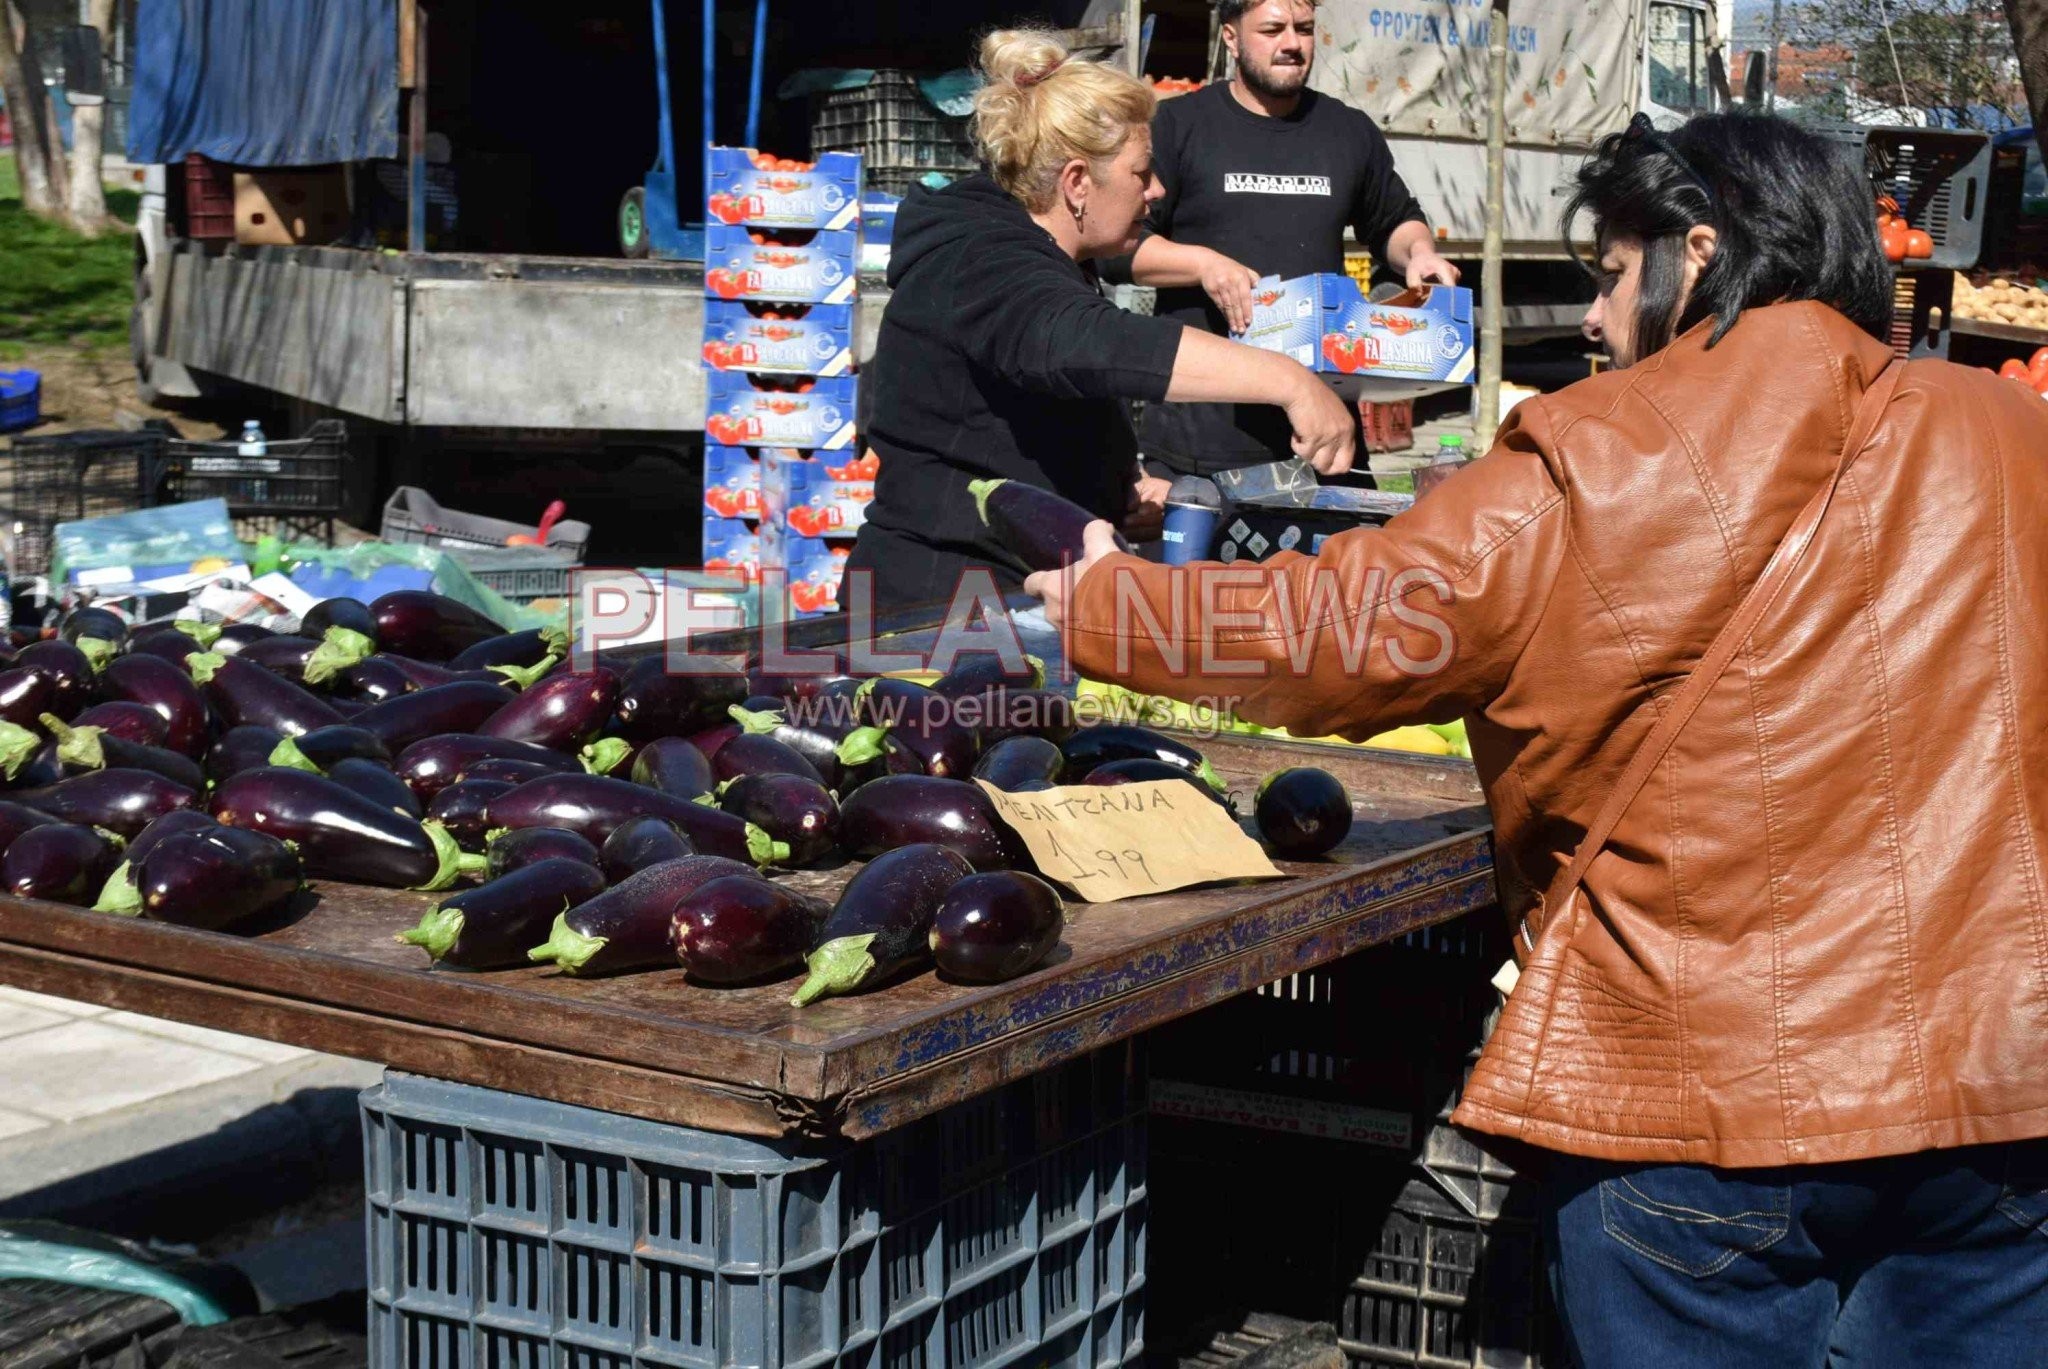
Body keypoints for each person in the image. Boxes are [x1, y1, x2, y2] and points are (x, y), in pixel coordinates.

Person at [1028, 111, 2048, 1364]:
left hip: (1699, 1101)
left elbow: (1343, 629)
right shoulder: (2014, 437)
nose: (1596, 322)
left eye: (1615, 278)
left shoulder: (1602, 449)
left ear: (1701, 252)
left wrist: (1108, 606)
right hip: (2003, 1092)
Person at [842, 29, 1357, 614]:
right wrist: (1290, 381)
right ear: (1078, 183)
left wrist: (1111, 489)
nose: (1156, 191)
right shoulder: (981, 258)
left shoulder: (1036, 254)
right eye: (1142, 173)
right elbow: (1085, 342)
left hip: (1010, 595)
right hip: (936, 612)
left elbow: (1011, 417)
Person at [1115, 0, 1459, 480]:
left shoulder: (1348, 130)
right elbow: (1120, 247)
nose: (1292, 44)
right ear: (1230, 38)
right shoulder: (1176, 125)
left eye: (1304, 29)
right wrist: (1203, 265)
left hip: (1322, 434)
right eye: (1273, 29)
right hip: (1199, 441)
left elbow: (1395, 219)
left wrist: (1419, 253)